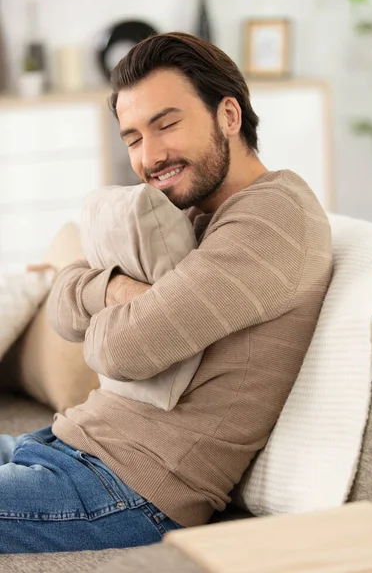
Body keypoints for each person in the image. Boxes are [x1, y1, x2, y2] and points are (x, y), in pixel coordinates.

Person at [0, 32, 333, 554]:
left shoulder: (273, 219)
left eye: (167, 124)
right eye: (132, 137)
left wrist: (102, 300)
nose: (149, 157)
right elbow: (63, 312)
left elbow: (119, 351)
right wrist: (119, 288)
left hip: (129, 492)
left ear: (228, 115)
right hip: (69, 446)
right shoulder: (178, 211)